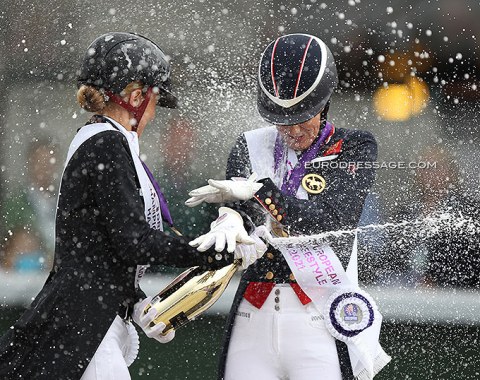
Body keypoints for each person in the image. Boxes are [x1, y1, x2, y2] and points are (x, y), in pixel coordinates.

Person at [0, 32, 262, 380]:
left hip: (91, 315)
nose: (154, 111)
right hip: (86, 323)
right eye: (154, 100)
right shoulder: (107, 144)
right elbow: (133, 241)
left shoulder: (105, 140)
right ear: (135, 96)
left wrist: (137, 303)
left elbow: (107, 250)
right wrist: (210, 253)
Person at [187, 34, 390, 379]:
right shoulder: (250, 145)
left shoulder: (355, 146)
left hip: (318, 317)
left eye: (303, 116)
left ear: (324, 103)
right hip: (253, 313)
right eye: (282, 119)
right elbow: (242, 221)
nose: (293, 130)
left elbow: (330, 222)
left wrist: (262, 192)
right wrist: (228, 220)